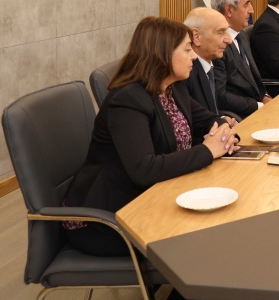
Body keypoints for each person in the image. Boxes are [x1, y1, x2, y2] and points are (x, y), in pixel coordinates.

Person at [63, 17, 237, 257]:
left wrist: (223, 131)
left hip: (154, 197)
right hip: (108, 217)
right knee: (207, 240)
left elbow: (208, 119)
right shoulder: (128, 100)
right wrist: (208, 150)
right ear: (162, 54)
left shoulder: (173, 88)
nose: (193, 57)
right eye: (187, 50)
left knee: (221, 226)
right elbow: (144, 169)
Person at [181, 7, 259, 120]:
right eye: (221, 32)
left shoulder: (207, 65)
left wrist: (221, 117)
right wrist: (218, 122)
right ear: (196, 37)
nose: (229, 40)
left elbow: (209, 109)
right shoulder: (186, 74)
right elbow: (193, 120)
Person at [209, 0, 271, 110]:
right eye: (246, 4)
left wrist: (265, 96)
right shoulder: (216, 45)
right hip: (240, 114)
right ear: (229, 10)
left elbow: (253, 79)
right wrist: (259, 105)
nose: (252, 10)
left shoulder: (242, 35)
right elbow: (220, 97)